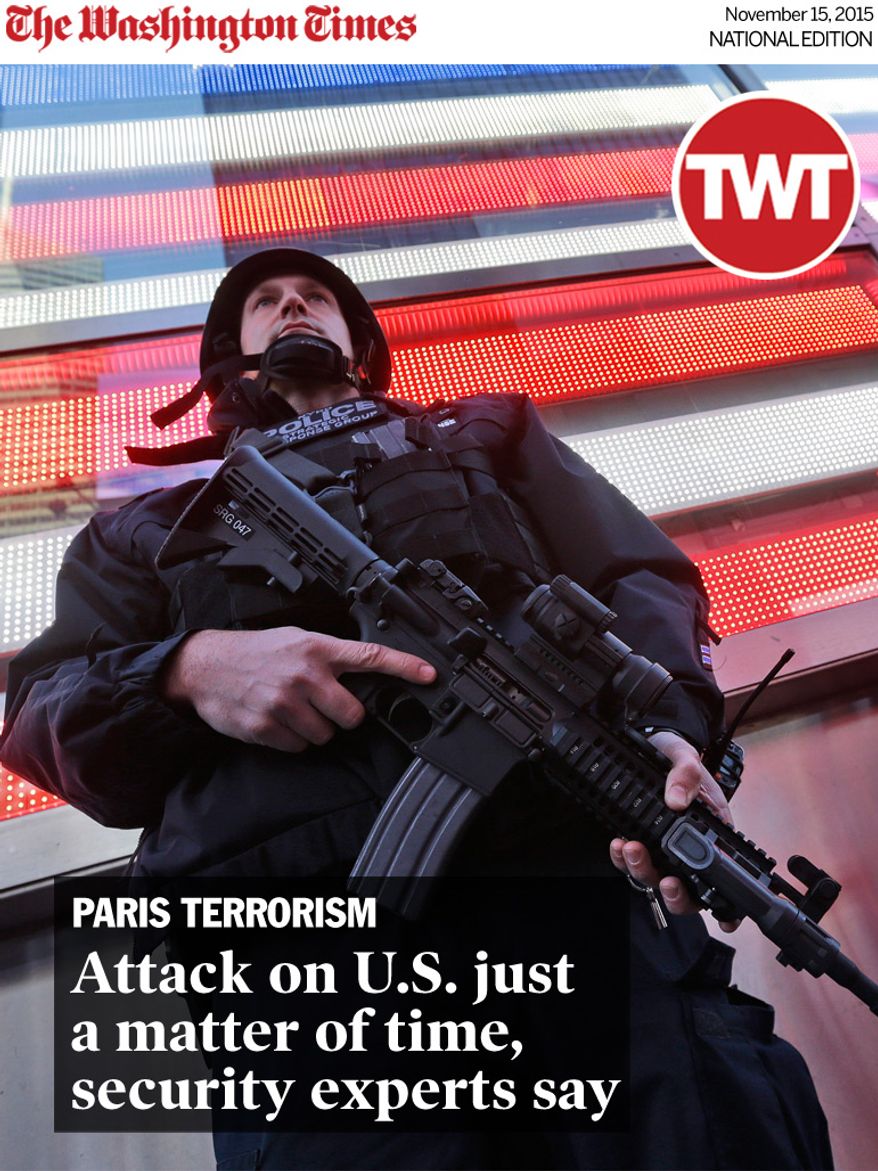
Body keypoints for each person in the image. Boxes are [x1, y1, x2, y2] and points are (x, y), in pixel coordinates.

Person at [1, 249, 832, 1170]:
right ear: (226, 355)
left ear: (359, 340)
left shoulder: (483, 431)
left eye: (315, 297)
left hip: (573, 890)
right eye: (267, 302)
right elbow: (40, 708)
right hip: (303, 965)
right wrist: (188, 669)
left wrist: (672, 724)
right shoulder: (151, 523)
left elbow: (639, 578)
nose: (292, 309)